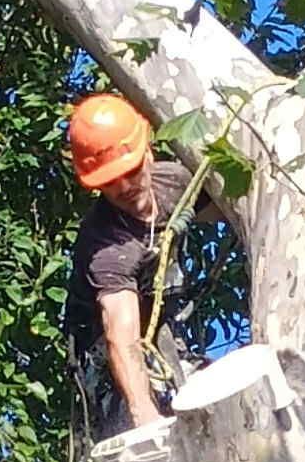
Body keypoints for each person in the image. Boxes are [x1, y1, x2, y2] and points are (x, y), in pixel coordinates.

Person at [64, 94, 215, 443]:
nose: (124, 188)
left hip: (165, 333)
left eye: (129, 172)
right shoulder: (106, 245)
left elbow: (238, 212)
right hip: (108, 362)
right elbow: (121, 332)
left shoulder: (175, 183)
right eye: (109, 182)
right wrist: (143, 416)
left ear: (148, 151)